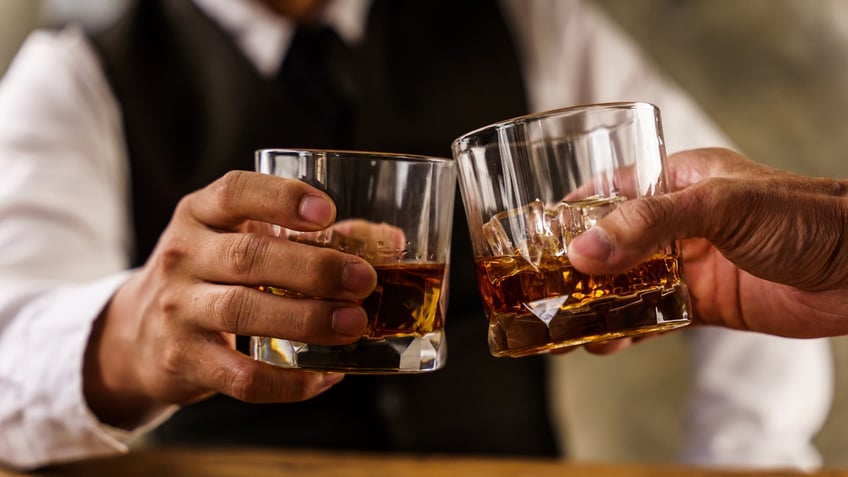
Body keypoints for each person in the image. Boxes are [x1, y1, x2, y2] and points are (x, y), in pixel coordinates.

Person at [0, 0, 832, 471]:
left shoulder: (532, 23)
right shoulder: (77, 73)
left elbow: (727, 224)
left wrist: (744, 459)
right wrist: (127, 335)